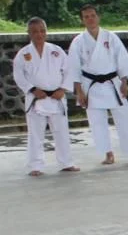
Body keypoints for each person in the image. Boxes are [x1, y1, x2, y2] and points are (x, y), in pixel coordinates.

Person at [69, 4, 128, 167]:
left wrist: (124, 82)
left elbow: (122, 60)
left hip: (113, 83)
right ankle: (108, 153)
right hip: (91, 85)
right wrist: (79, 92)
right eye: (86, 17)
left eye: (92, 15)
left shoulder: (111, 37)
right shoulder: (78, 41)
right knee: (97, 122)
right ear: (82, 20)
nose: (90, 19)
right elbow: (73, 68)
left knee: (124, 118)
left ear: (98, 17)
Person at [13, 17, 79, 177]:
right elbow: (18, 76)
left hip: (56, 97)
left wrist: (63, 89)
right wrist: (32, 89)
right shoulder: (23, 54)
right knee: (35, 133)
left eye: (42, 31)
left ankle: (66, 162)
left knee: (62, 131)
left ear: (46, 31)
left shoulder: (56, 50)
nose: (39, 34)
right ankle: (35, 166)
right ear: (29, 33)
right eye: (35, 31)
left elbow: (69, 71)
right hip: (37, 98)